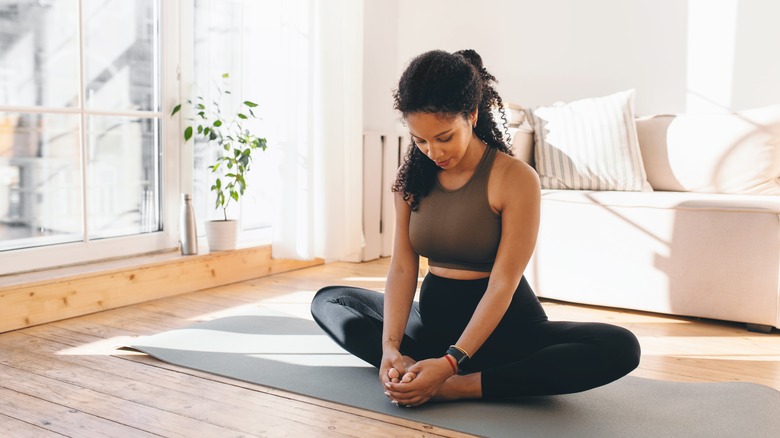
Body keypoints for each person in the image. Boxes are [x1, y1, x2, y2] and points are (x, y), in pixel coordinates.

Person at [310, 49, 641, 408]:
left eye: (444, 137)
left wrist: (451, 363)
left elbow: (503, 283)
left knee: (620, 346)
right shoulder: (411, 179)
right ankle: (412, 368)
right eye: (420, 140)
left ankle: (457, 385)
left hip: (506, 333)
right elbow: (403, 267)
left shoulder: (515, 178)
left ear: (471, 114)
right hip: (433, 330)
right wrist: (389, 348)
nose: (433, 152)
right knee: (330, 301)